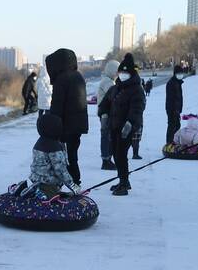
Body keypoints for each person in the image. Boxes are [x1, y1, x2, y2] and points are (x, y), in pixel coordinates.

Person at [98, 53, 145, 196]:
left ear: (131, 73)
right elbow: (104, 103)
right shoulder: (115, 88)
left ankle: (124, 184)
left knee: (121, 155)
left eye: (126, 72)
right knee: (116, 154)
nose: (123, 74)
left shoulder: (137, 90)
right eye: (121, 72)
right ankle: (123, 180)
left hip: (127, 128)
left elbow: (137, 109)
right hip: (114, 126)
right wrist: (104, 114)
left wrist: (129, 124)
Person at [46, 48, 88, 186]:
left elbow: (57, 104)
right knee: (73, 155)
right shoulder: (78, 76)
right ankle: (76, 181)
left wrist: (51, 124)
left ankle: (68, 183)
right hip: (78, 125)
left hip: (66, 125)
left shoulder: (62, 79)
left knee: (62, 157)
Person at [97, 60, 119, 170]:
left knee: (108, 136)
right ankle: (106, 160)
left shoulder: (109, 80)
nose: (118, 74)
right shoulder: (107, 82)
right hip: (105, 114)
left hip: (106, 113)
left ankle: (107, 159)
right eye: (116, 71)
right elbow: (114, 95)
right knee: (106, 136)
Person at [165, 68, 184, 144]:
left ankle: (175, 142)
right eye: (178, 73)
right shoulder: (171, 83)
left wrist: (179, 109)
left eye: (181, 73)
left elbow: (179, 98)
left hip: (176, 109)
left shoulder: (178, 83)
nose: (180, 75)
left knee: (177, 125)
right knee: (172, 125)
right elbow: (171, 98)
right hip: (172, 109)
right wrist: (174, 110)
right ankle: (170, 143)